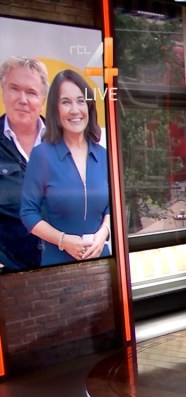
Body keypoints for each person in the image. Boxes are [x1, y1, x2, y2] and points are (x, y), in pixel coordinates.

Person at [20, 69, 111, 266]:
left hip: (102, 260)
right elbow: (28, 213)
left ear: (89, 106)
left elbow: (111, 207)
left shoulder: (104, 155)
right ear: (55, 110)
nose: (75, 110)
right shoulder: (42, 155)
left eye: (80, 101)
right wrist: (63, 241)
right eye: (66, 102)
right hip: (58, 265)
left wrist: (104, 233)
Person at [0, 57, 47, 272]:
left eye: (31, 92)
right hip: (10, 275)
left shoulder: (68, 141)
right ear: (3, 92)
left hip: (65, 266)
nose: (22, 99)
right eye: (14, 89)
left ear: (42, 98)